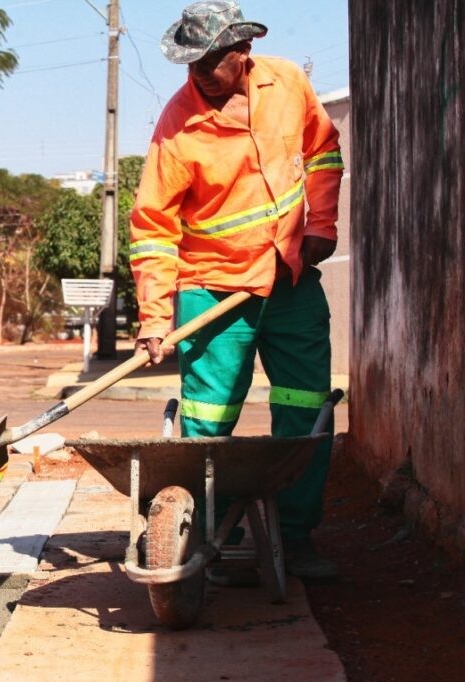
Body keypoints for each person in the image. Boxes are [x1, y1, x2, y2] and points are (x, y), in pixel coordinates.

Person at [129, 1, 344, 581]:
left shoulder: (288, 82)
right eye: (188, 60)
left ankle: (295, 539)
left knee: (306, 411)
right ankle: (210, 538)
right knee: (208, 421)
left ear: (240, 52)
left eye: (208, 60)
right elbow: (153, 226)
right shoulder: (177, 125)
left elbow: (324, 151)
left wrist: (322, 225)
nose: (196, 72)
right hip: (214, 288)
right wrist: (154, 318)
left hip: (291, 279)